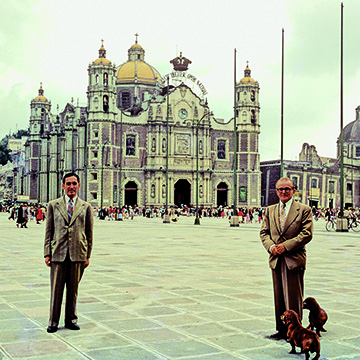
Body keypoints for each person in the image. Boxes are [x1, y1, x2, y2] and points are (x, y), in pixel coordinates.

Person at [260, 177, 313, 340]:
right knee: (279, 296)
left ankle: (296, 332)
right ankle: (281, 330)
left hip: (293, 258)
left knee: (293, 297)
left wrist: (286, 246)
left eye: (287, 189)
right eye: (280, 189)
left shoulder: (304, 209)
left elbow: (307, 234)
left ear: (293, 190)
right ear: (276, 191)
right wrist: (271, 247)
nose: (284, 192)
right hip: (276, 258)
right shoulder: (270, 210)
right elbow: (264, 232)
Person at [44, 172, 93, 333]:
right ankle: (53, 321)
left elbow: (89, 233)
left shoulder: (86, 207)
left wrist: (88, 255)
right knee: (56, 290)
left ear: (79, 185)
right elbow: (49, 231)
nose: (71, 187)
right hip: (58, 252)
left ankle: (71, 319)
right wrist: (47, 253)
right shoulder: (53, 205)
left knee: (73, 291)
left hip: (78, 254)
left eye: (74, 183)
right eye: (68, 183)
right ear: (63, 186)